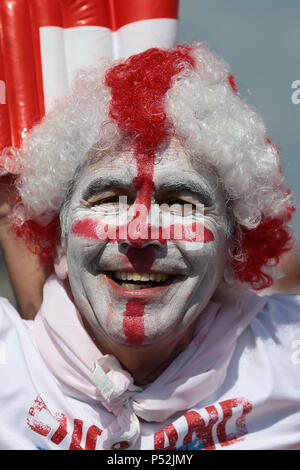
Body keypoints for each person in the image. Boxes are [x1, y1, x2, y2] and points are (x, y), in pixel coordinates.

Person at [0, 43, 299, 451]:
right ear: (59, 242)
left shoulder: (289, 354)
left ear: (236, 249)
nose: (139, 234)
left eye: (180, 202)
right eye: (108, 199)